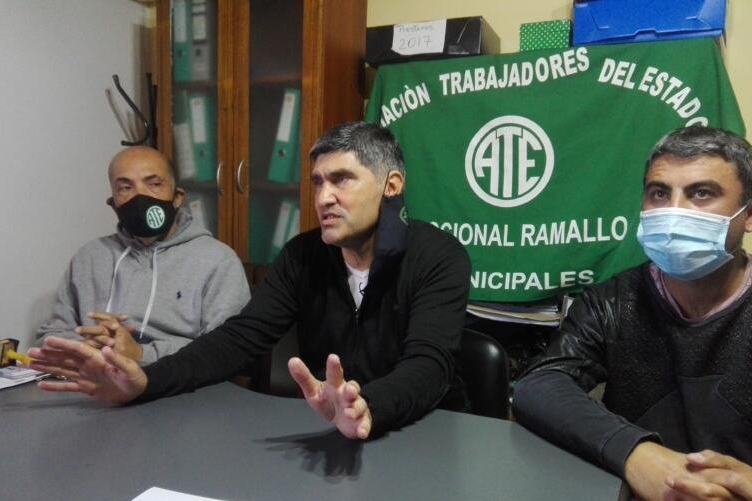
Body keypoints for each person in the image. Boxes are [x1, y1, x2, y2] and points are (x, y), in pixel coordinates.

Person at [30, 122, 471, 439]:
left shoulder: (438, 256)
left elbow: (429, 365)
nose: (323, 197)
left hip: (421, 430)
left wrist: (367, 407)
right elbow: (239, 339)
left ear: (391, 186)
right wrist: (147, 382)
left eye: (341, 180)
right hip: (328, 431)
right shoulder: (302, 255)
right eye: (317, 182)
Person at [514, 126, 752, 501]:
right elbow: (540, 384)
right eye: (659, 193)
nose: (674, 211)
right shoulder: (613, 300)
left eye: (701, 193)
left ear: (751, 214)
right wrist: (638, 456)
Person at [34, 146, 250, 365]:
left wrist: (139, 354)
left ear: (177, 197)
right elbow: (50, 336)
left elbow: (226, 351)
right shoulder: (89, 257)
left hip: (177, 381)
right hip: (93, 378)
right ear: (113, 204)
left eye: (154, 184)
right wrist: (86, 348)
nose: (140, 196)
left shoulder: (218, 260)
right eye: (125, 187)